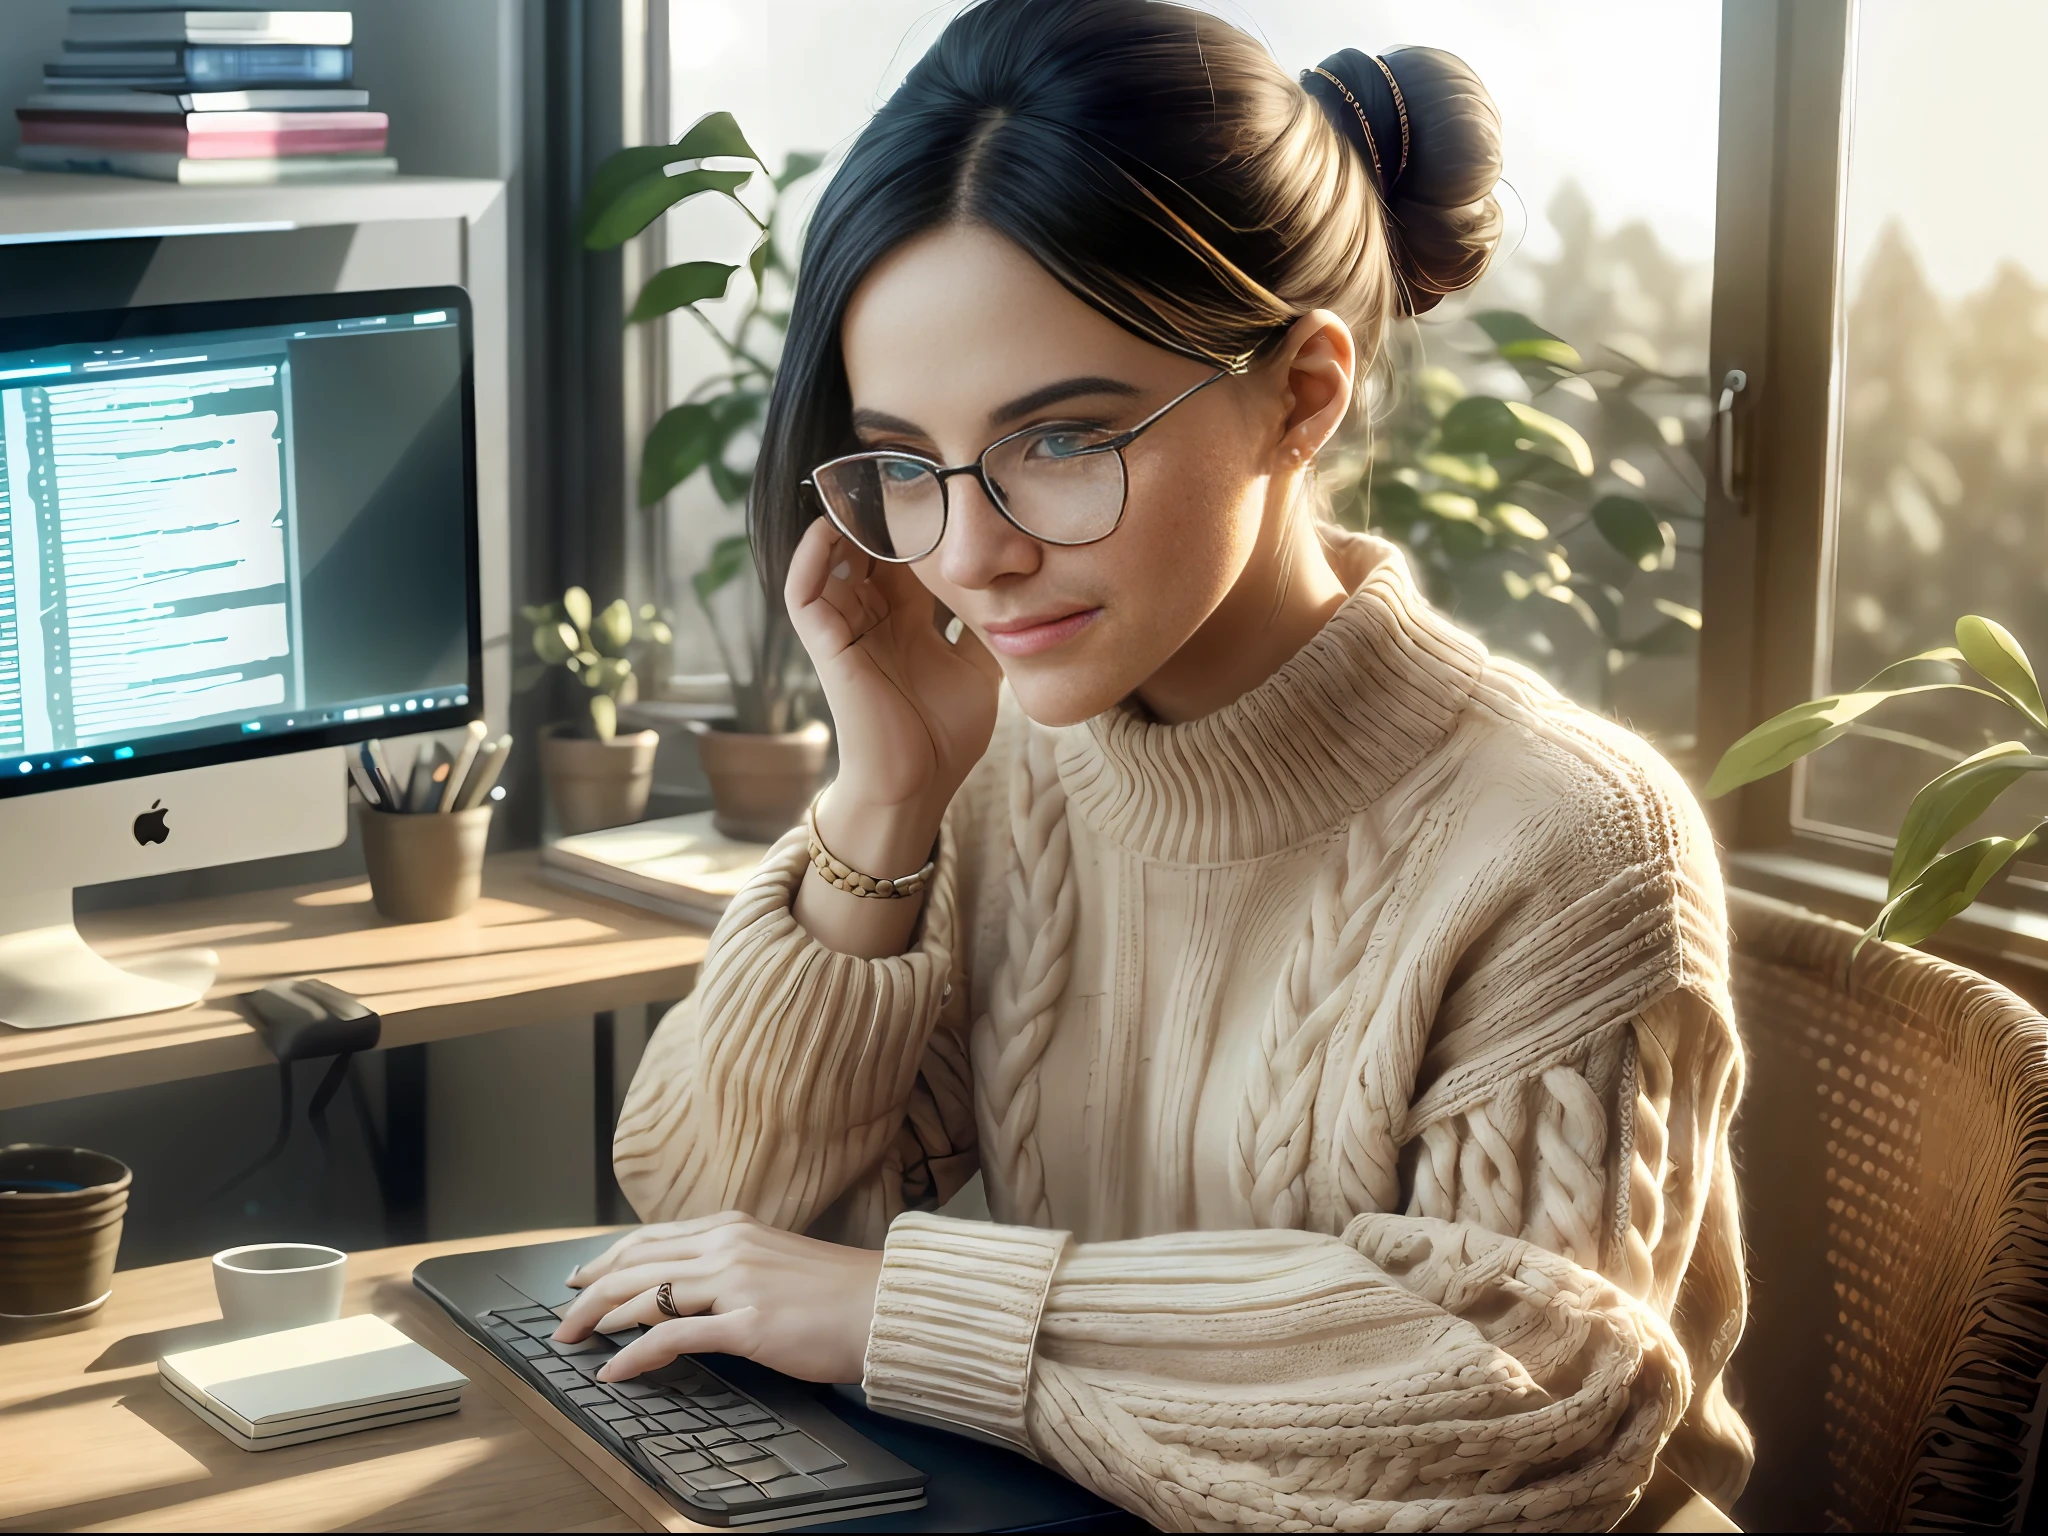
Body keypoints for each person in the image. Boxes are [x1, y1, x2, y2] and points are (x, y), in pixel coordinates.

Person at [554, 0, 1751, 1526]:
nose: (969, 555)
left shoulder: (1571, 837)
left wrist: (896, 1313)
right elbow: (715, 1227)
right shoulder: (1001, 762)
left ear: (1303, 395)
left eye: (1059, 439)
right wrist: (885, 805)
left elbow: (1507, 1404)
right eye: (906, 464)